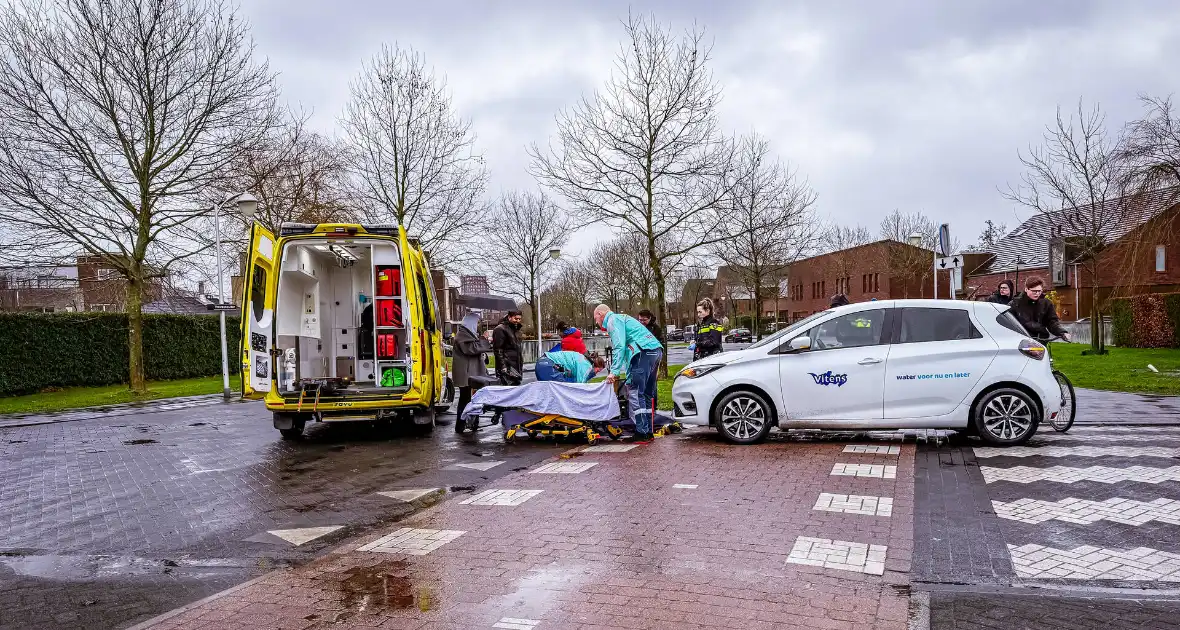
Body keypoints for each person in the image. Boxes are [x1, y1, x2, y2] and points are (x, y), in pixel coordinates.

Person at [594, 304, 663, 443]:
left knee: (636, 393)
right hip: (654, 350)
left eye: (596, 318)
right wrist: (629, 374)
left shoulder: (613, 320)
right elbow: (627, 352)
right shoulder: (623, 319)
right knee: (647, 394)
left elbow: (619, 346)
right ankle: (648, 431)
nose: (596, 322)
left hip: (642, 352)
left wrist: (613, 372)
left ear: (601, 314)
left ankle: (641, 433)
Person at [451, 311, 493, 426]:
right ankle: (461, 424)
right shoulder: (462, 335)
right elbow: (471, 349)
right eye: (477, 322)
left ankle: (470, 423)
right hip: (467, 373)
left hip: (470, 372)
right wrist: (484, 339)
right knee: (465, 398)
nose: (478, 324)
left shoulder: (467, 334)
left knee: (471, 398)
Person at [1008, 277, 1071, 342]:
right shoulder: (1015, 304)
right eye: (1034, 291)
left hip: (1041, 340)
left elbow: (1052, 322)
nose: (1037, 293)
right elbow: (1008, 323)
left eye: (1039, 291)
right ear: (1026, 289)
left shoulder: (1046, 303)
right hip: (1021, 340)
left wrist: (1062, 332)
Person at [492, 311, 524, 385]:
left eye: (519, 319)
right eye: (516, 318)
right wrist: (503, 366)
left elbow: (516, 348)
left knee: (515, 390)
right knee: (507, 390)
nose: (518, 321)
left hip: (515, 365)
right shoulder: (500, 329)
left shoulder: (515, 329)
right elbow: (498, 349)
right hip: (507, 366)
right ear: (509, 317)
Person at [535, 350, 606, 383]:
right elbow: (581, 386)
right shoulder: (586, 366)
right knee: (562, 390)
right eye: (598, 370)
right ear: (595, 365)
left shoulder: (583, 360)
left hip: (544, 362)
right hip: (548, 364)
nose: (597, 373)